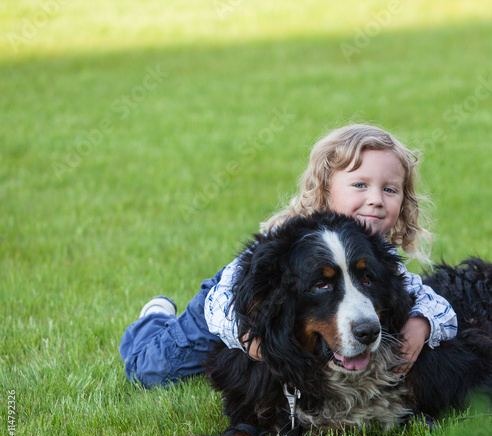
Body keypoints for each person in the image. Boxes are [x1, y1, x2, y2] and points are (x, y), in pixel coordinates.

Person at [120, 124, 457, 388]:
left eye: (390, 189)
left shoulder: (379, 256)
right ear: (325, 188)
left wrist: (422, 323)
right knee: (151, 370)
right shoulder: (287, 241)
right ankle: (154, 319)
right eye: (359, 185)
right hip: (221, 309)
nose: (376, 200)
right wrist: (244, 336)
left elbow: (432, 301)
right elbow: (225, 299)